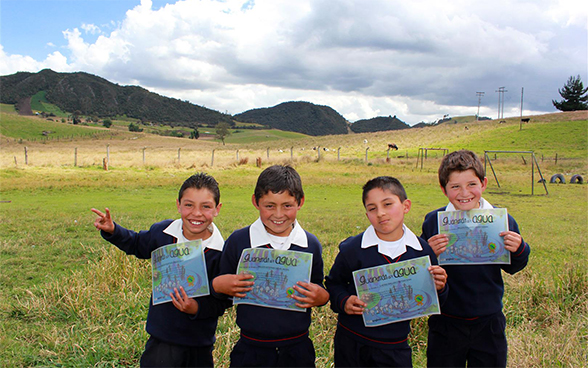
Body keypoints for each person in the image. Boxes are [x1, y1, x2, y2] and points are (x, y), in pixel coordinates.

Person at [91, 173, 230, 367]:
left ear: (217, 209)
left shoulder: (221, 252)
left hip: (199, 343)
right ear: (178, 205)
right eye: (189, 205)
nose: (196, 213)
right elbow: (137, 243)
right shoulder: (163, 233)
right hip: (161, 338)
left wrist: (196, 308)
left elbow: (223, 301)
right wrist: (113, 230)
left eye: (205, 206)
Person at [421, 149, 531, 368]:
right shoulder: (434, 220)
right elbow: (423, 269)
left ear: (484, 184)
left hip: (488, 320)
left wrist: (519, 249)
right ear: (444, 190)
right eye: (455, 187)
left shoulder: (502, 220)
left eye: (472, 184)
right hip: (446, 321)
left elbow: (514, 267)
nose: (464, 193)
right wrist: (428, 251)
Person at [212, 165, 329, 367]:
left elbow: (318, 287)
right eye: (269, 206)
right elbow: (221, 293)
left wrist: (321, 297)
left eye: (287, 206)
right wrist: (219, 285)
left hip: (297, 349)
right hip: (251, 349)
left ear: (300, 202)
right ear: (255, 202)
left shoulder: (310, 245)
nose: (278, 214)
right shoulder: (239, 241)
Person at [325, 176, 448, 367]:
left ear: (406, 206)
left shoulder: (421, 251)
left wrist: (440, 287)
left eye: (388, 204)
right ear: (367, 214)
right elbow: (333, 283)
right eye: (372, 208)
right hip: (352, 342)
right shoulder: (352, 249)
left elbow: (436, 299)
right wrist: (344, 301)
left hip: (395, 346)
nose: (380, 213)